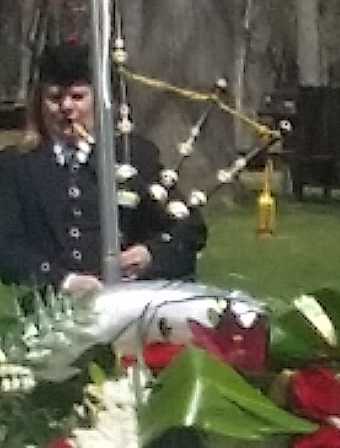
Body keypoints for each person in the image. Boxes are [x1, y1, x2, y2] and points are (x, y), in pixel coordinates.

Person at [0, 43, 206, 293]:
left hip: (130, 304)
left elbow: (188, 228)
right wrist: (64, 281)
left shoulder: (133, 156)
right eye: (55, 98)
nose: (66, 107)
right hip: (54, 310)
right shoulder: (16, 165)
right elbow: (7, 247)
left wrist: (149, 254)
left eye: (78, 97)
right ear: (39, 104)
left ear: (98, 101)